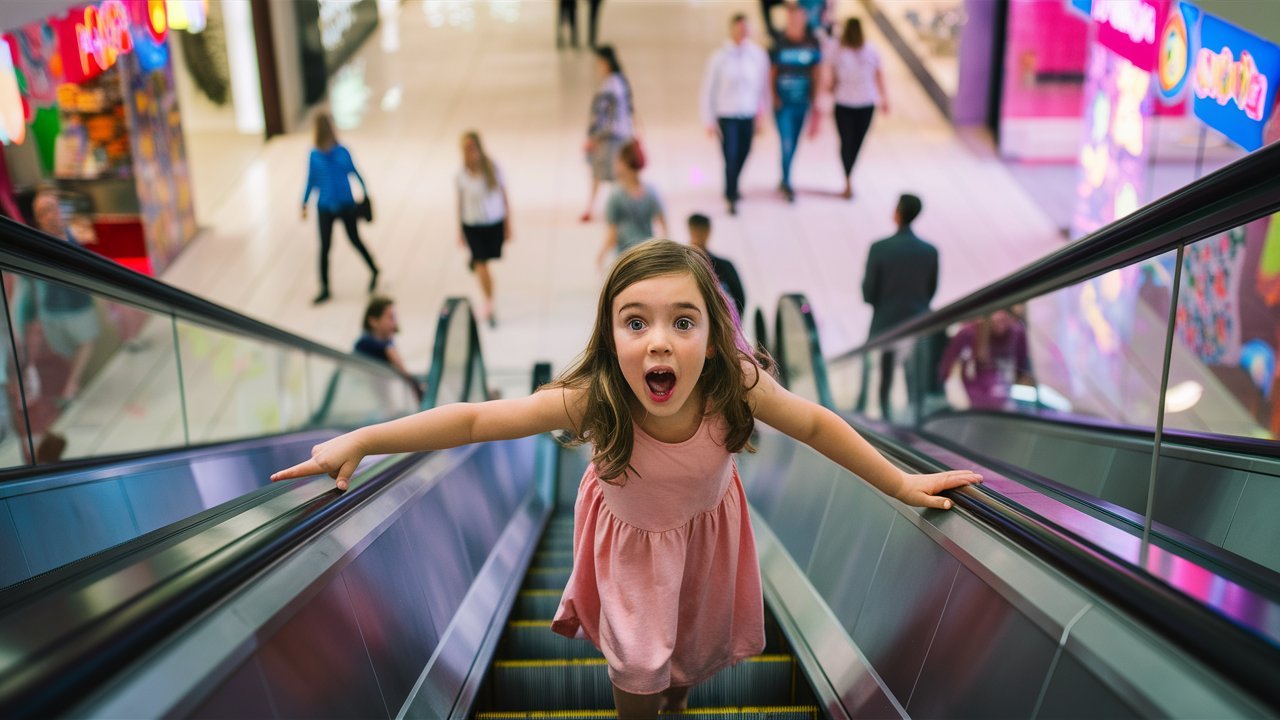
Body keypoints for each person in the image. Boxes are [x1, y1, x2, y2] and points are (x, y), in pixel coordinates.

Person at [272, 239, 979, 718]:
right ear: (610, 335)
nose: (660, 342)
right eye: (635, 322)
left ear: (715, 334)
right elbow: (473, 422)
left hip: (706, 541)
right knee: (637, 672)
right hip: (632, 549)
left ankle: (672, 702)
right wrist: (362, 438)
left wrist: (899, 484)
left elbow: (818, 425)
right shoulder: (597, 398)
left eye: (683, 321)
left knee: (691, 653)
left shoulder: (734, 385)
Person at [859, 194, 937, 420]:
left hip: (886, 320)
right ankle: (917, 414)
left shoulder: (879, 248)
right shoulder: (929, 251)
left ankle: (882, 411)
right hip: (918, 319)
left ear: (898, 212)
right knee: (916, 371)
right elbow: (931, 290)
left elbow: (868, 293)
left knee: (884, 370)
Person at [301, 112, 380, 305]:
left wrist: (364, 194)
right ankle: (325, 287)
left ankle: (374, 270)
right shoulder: (314, 155)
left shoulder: (342, 151)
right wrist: (304, 203)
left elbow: (355, 172)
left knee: (354, 240)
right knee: (325, 247)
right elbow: (311, 180)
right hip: (325, 207)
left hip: (346, 205)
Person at [700, 13, 771, 216]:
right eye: (739, 29)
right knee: (730, 155)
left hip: (747, 113)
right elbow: (709, 89)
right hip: (727, 114)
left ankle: (734, 182)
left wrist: (761, 115)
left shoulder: (757, 56)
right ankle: (731, 194)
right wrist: (708, 119)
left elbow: (762, 88)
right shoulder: (719, 57)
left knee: (744, 152)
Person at [456, 131, 511, 328]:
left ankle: (476, 263)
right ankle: (489, 303)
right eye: (466, 149)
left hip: (493, 224)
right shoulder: (461, 175)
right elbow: (460, 203)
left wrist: (508, 225)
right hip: (472, 226)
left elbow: (504, 197)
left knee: (485, 262)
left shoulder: (493, 169)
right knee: (482, 266)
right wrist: (459, 231)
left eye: (472, 147)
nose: (470, 152)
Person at [829, 18, 887, 200]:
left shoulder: (870, 50)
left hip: (865, 103)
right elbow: (832, 75)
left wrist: (885, 97)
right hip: (844, 103)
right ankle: (848, 179)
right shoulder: (838, 50)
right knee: (846, 142)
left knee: (857, 142)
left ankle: (850, 173)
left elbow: (879, 74)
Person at [770, 5, 822, 203]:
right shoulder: (779, 43)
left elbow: (817, 72)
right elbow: (772, 72)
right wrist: (774, 97)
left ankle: (785, 174)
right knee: (786, 141)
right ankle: (787, 181)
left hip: (802, 101)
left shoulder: (812, 43)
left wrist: (815, 98)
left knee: (794, 142)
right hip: (784, 103)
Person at [937, 309, 1033, 411]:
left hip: (1001, 401)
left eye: (1007, 311)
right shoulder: (968, 333)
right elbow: (946, 369)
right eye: (996, 310)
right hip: (972, 403)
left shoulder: (1017, 334)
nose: (1001, 316)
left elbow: (1021, 368)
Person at [581, 45, 634, 223]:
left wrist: (593, 137)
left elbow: (603, 116)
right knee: (615, 174)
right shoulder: (620, 81)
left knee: (603, 173)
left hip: (609, 138)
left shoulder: (610, 86)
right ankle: (604, 207)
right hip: (621, 135)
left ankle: (597, 208)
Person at [597, 140, 667, 268]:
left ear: (624, 164)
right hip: (647, 252)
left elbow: (612, 233)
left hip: (625, 256)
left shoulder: (616, 195)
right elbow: (663, 224)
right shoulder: (651, 192)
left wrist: (601, 255)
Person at [356, 296, 425, 401]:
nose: (394, 323)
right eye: (390, 318)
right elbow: (403, 370)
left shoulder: (384, 339)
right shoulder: (366, 345)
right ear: (373, 321)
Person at [688, 213, 745, 321]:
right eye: (698, 231)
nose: (700, 235)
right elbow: (740, 299)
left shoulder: (725, 265)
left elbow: (740, 299)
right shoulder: (725, 266)